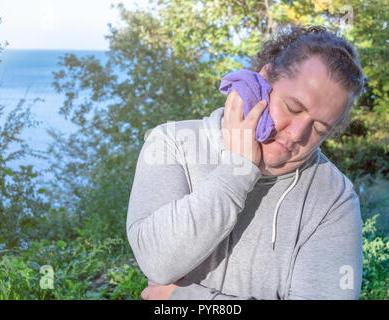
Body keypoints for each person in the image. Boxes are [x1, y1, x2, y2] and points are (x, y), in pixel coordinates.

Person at [127, 25, 365, 300]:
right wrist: (237, 169)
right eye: (292, 108)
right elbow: (157, 261)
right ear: (264, 79)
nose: (297, 133)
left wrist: (184, 299)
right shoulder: (171, 143)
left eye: (319, 129)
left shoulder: (334, 198)